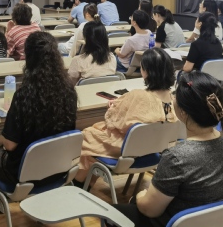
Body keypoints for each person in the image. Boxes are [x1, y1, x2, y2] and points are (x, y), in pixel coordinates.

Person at [109, 71, 223, 227]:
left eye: (175, 95)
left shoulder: (177, 157)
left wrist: (139, 196)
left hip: (179, 222)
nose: (172, 97)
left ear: (183, 112)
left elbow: (150, 210)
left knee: (112, 213)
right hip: (220, 222)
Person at [0, 32, 78, 208]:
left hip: (25, 174)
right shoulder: (69, 92)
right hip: (59, 170)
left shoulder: (25, 95)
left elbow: (9, 145)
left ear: (28, 58)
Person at [75, 48, 177, 183]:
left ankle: (80, 182)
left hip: (125, 150)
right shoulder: (174, 99)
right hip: (153, 150)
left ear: (146, 71)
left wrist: (114, 107)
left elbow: (116, 122)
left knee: (85, 135)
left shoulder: (138, 95)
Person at [115, 10, 151, 75]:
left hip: (126, 66)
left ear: (134, 22)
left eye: (131, 17)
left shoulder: (131, 40)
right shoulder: (149, 33)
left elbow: (121, 55)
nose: (130, 18)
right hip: (143, 65)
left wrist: (116, 50)